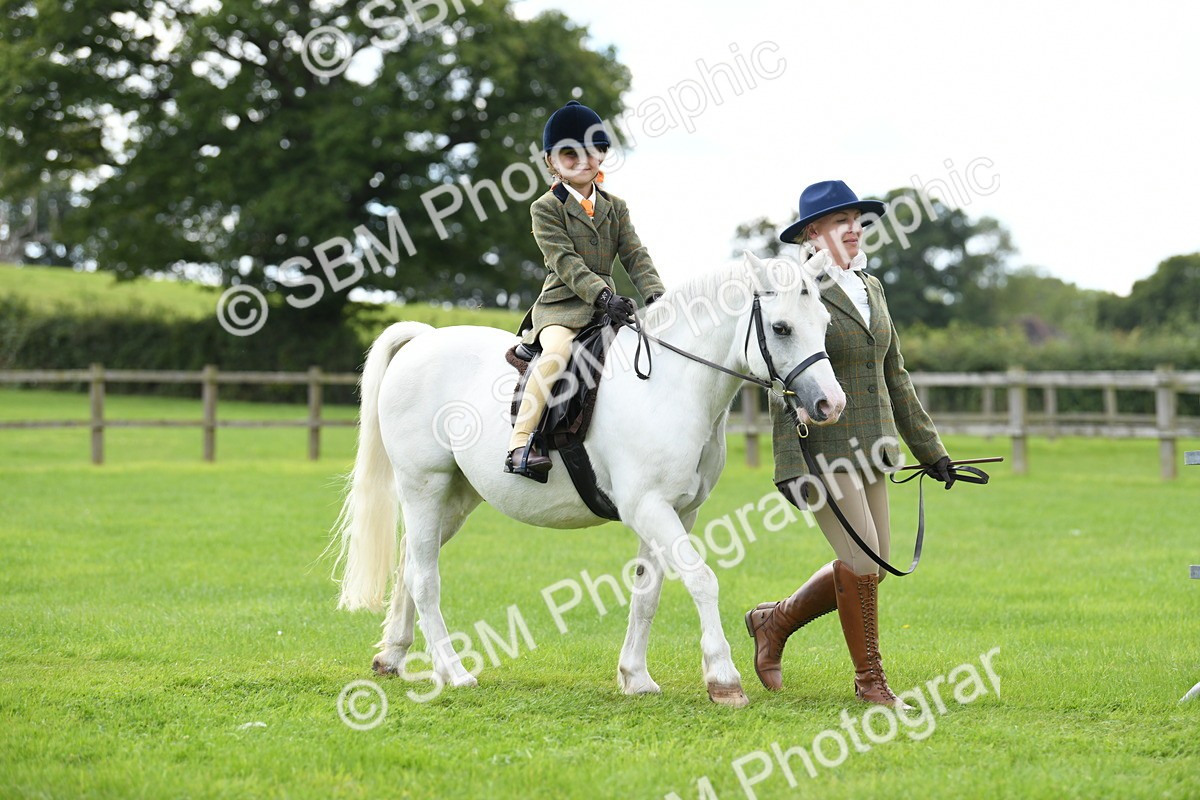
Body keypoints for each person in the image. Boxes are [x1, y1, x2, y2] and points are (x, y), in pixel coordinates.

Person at [745, 180, 957, 708]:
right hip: (822, 445)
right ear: (813, 233)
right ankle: (870, 682)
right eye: (840, 221)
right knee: (861, 563)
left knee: (876, 565)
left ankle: (773, 622)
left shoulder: (872, 289)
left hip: (874, 446)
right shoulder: (794, 288)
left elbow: (896, 376)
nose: (853, 228)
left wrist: (932, 451)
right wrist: (789, 463)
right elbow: (782, 377)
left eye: (858, 219)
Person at [507, 101, 665, 478]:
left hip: (606, 311)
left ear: (602, 155)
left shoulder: (616, 207)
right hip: (562, 308)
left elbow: (635, 254)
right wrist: (603, 294)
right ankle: (520, 442)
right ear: (551, 162)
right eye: (568, 153)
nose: (582, 160)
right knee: (558, 353)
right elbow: (565, 262)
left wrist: (658, 295)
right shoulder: (545, 208)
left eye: (592, 150)